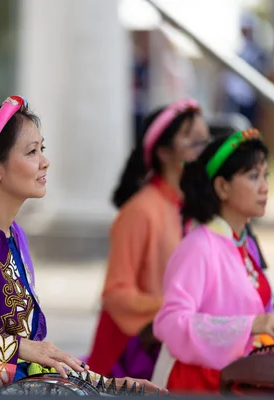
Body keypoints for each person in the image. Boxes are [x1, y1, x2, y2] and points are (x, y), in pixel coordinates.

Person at [0, 96, 167, 394]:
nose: (45, 161)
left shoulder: (14, 234)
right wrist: (18, 349)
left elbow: (31, 354)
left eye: (42, 149)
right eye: (31, 152)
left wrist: (110, 385)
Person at [152, 129, 274, 394]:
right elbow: (170, 323)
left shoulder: (244, 244)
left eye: (265, 175)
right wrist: (249, 325)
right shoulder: (199, 246)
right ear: (222, 187)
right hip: (197, 385)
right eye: (253, 176)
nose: (264, 187)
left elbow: (260, 328)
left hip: (243, 379)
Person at [86, 99, 210, 381]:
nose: (204, 152)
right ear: (164, 153)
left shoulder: (191, 209)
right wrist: (174, 307)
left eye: (206, 141)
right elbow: (116, 293)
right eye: (194, 142)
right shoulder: (141, 210)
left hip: (174, 341)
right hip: (133, 356)